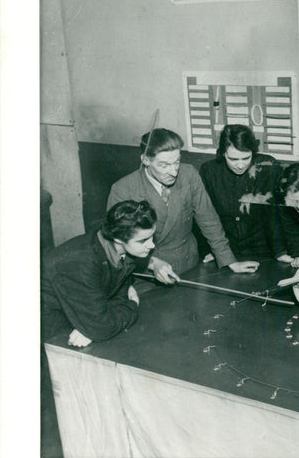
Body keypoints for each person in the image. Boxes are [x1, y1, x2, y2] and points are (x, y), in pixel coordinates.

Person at [107, 128, 258, 283]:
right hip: (146, 273)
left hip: (189, 266)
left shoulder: (189, 174)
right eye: (164, 165)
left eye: (177, 162)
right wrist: (152, 263)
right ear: (145, 160)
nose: (173, 172)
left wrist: (229, 260)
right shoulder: (123, 189)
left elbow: (208, 219)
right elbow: (117, 242)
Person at [41, 200, 157, 346]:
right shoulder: (82, 262)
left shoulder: (121, 250)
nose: (152, 245)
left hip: (78, 308)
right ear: (118, 238)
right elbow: (102, 327)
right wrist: (132, 305)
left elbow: (118, 295)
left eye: (152, 237)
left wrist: (93, 327)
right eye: (143, 240)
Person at [198, 124, 279, 260]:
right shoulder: (209, 170)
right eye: (233, 159)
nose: (240, 165)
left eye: (246, 158)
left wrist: (280, 251)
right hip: (225, 249)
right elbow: (203, 214)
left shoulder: (268, 165)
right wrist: (208, 250)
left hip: (264, 249)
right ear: (223, 153)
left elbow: (276, 215)